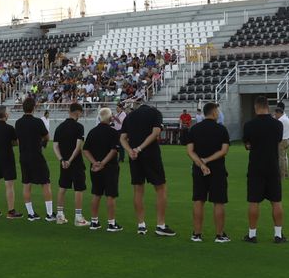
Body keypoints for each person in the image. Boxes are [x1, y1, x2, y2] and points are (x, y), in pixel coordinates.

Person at [119, 99, 176, 236]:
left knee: (138, 189)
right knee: (160, 188)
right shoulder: (155, 113)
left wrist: (130, 150)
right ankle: (160, 225)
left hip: (134, 157)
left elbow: (122, 138)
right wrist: (139, 148)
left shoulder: (130, 116)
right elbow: (155, 133)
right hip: (151, 154)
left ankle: (141, 225)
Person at [182, 101, 231, 243]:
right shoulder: (222, 130)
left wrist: (201, 163)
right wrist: (207, 161)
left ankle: (197, 234)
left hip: (198, 170)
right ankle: (219, 235)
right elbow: (224, 151)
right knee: (219, 202)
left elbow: (189, 151)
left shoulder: (195, 129)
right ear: (215, 113)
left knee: (198, 200)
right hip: (218, 170)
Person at [240, 96, 286, 244]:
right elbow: (277, 141)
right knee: (276, 201)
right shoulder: (278, 125)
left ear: (255, 107)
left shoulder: (249, 125)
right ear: (268, 107)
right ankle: (278, 235)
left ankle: (252, 234)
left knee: (254, 201)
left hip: (255, 166)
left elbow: (248, 144)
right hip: (272, 166)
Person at [82, 106, 122, 231]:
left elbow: (85, 149)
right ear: (110, 118)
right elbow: (114, 150)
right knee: (110, 195)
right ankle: (111, 223)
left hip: (95, 168)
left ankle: (94, 221)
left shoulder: (92, 132)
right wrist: (103, 163)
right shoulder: (113, 132)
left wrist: (95, 163)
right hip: (110, 167)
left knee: (96, 193)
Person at [15, 95, 52, 221]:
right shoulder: (38, 122)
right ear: (34, 108)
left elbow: (18, 140)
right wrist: (40, 141)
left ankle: (31, 214)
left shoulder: (18, 122)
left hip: (24, 156)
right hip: (36, 156)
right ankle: (49, 213)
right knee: (45, 183)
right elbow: (47, 137)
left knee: (26, 184)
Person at [53, 102, 88, 226]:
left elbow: (55, 146)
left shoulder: (59, 127)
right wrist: (70, 160)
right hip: (76, 163)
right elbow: (78, 147)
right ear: (78, 112)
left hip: (63, 163)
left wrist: (62, 160)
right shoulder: (79, 127)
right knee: (78, 189)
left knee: (62, 187)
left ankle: (60, 215)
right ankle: (78, 217)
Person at [0, 105, 20, 218]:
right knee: (9, 185)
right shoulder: (9, 128)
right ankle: (11, 211)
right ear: (4, 114)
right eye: (8, 112)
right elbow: (16, 142)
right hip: (7, 157)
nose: (8, 114)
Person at [274, 100, 289, 179]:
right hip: (287, 139)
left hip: (281, 140)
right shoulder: (286, 118)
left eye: (276, 114)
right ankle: (286, 173)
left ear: (279, 112)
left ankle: (282, 174)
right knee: (284, 158)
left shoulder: (281, 120)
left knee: (281, 158)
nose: (275, 115)